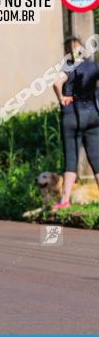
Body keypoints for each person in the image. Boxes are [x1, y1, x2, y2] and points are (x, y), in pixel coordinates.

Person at [52, 36, 99, 210]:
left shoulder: (68, 66)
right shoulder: (93, 66)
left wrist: (62, 98)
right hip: (93, 115)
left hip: (72, 115)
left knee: (71, 159)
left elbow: (57, 83)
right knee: (96, 158)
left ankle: (65, 200)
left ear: (66, 52)